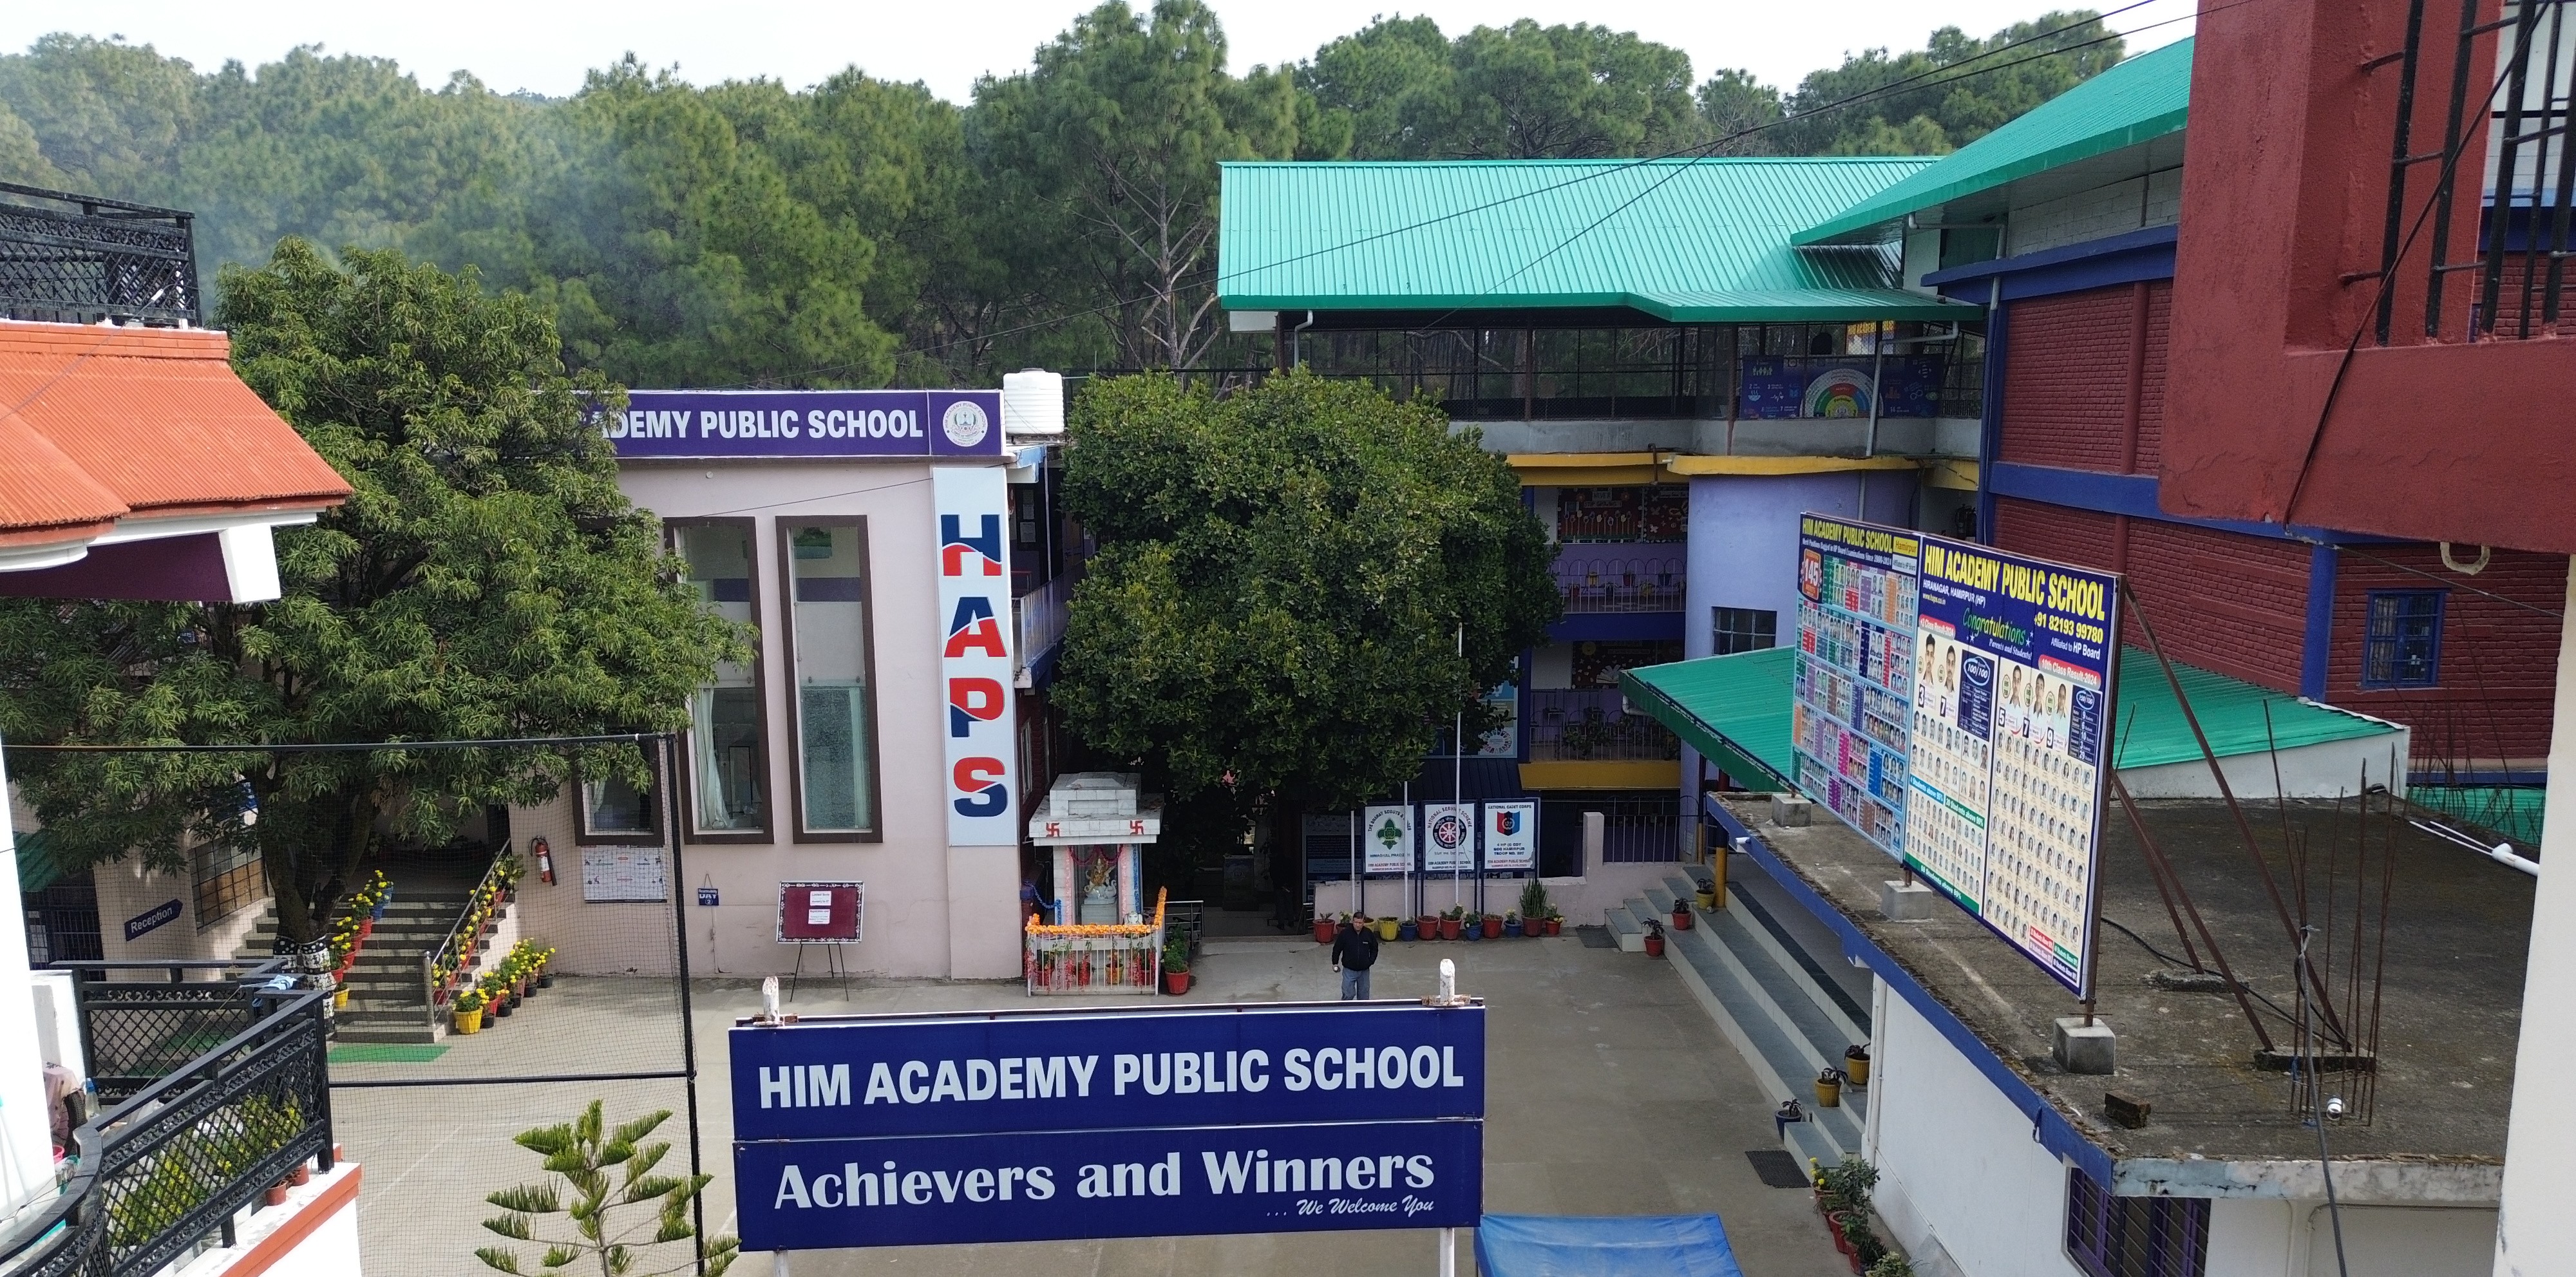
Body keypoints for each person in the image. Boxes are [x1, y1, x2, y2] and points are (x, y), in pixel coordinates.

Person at [1331, 915, 1379, 1000]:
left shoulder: (1368, 934)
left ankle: (1362, 1009)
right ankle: (1345, 1009)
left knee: (1364, 997)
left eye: (1360, 923)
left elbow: (1374, 948)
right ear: (1353, 921)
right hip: (1349, 971)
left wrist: (1371, 961)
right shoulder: (1345, 933)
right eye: (1356, 922)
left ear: (1363, 922)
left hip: (1364, 972)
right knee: (1348, 995)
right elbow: (1337, 948)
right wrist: (1335, 963)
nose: (1357, 925)